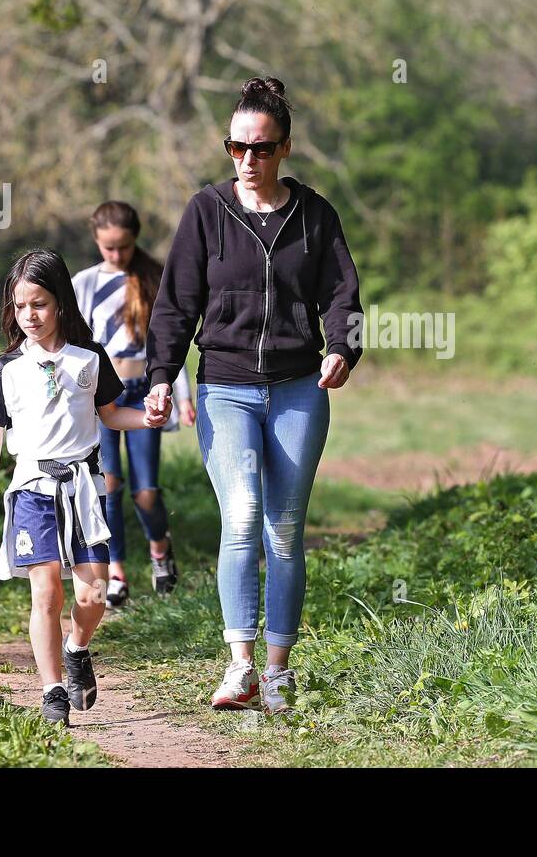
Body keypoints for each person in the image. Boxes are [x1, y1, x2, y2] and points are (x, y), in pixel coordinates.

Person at [143, 77, 364, 714]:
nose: (248, 159)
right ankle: (238, 665)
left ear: (285, 149)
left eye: (261, 148)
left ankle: (277, 670)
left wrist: (341, 348)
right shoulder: (206, 211)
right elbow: (176, 304)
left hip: (299, 389)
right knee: (240, 520)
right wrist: (162, 376)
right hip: (226, 388)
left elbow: (342, 296)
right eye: (236, 147)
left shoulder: (315, 215)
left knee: (285, 530)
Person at [0, 249, 168, 726]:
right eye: (20, 306)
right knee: (46, 595)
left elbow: (111, 415)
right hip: (32, 491)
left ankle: (77, 648)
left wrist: (147, 417)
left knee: (93, 594)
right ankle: (53, 690)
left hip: (83, 488)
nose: (29, 315)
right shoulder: (7, 368)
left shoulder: (88, 358)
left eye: (38, 303)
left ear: (60, 302)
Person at [73, 202, 195, 607]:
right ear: (96, 240)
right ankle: (116, 574)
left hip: (145, 389)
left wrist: (183, 396)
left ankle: (160, 549)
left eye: (123, 247)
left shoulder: (152, 278)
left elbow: (169, 344)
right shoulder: (85, 283)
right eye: (108, 248)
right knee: (108, 486)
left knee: (145, 490)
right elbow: (75, 343)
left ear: (134, 240)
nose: (116, 255)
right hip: (101, 394)